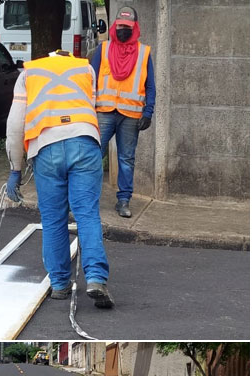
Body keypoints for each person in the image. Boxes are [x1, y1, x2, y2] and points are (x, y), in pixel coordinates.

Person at [5, 49, 114, 308]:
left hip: (46, 146)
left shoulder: (29, 73)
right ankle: (96, 277)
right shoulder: (86, 69)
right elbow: (92, 107)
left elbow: (15, 124)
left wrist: (15, 169)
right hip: (84, 142)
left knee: (53, 218)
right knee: (87, 213)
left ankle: (59, 283)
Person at [92, 6, 155, 218]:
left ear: (134, 28)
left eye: (127, 27)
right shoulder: (104, 49)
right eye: (119, 27)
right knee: (92, 155)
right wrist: (88, 107)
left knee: (126, 159)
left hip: (131, 115)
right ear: (114, 26)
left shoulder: (144, 53)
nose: (122, 31)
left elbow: (150, 86)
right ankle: (87, 198)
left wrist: (148, 112)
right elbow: (89, 79)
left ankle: (124, 201)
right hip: (104, 111)